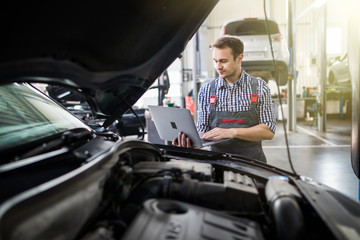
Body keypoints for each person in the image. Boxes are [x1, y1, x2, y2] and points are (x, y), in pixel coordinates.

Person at [172, 36, 276, 162]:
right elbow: (202, 132)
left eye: (223, 61)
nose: (218, 67)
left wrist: (233, 132)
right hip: (219, 165)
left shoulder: (260, 87)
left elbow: (268, 131)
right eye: (215, 61)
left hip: (252, 165)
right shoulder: (206, 91)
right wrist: (189, 143)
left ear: (239, 59)